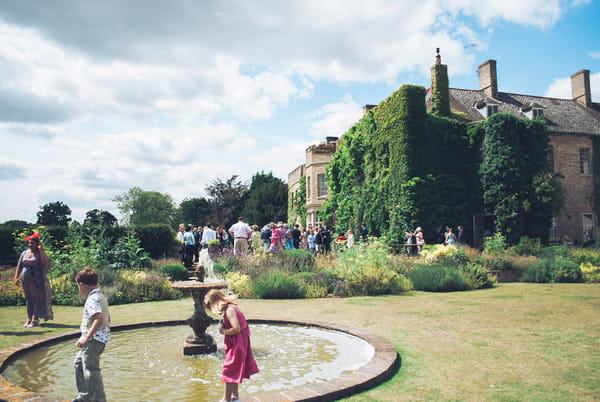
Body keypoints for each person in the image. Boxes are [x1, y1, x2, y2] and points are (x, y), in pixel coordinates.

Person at [204, 289, 259, 402]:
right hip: (239, 344)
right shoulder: (231, 308)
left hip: (237, 346)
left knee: (228, 371)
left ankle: (226, 399)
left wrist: (223, 331)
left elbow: (236, 329)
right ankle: (235, 396)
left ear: (216, 303)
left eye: (211, 308)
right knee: (233, 370)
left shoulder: (229, 311)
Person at [72, 268, 110, 402]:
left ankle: (98, 399)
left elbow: (98, 318)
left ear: (81, 284)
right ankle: (85, 395)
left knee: (91, 370)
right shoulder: (101, 296)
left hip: (93, 340)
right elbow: (107, 317)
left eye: (78, 286)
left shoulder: (92, 299)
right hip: (99, 338)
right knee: (78, 363)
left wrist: (86, 337)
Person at [14, 232, 53, 327]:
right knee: (28, 298)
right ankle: (29, 317)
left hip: (36, 278)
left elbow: (46, 263)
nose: (30, 245)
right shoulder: (24, 253)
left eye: (32, 243)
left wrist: (41, 251)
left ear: (37, 244)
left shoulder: (40, 253)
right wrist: (16, 277)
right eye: (29, 243)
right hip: (26, 278)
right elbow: (19, 265)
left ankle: (35, 318)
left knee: (36, 298)